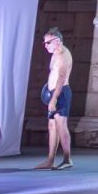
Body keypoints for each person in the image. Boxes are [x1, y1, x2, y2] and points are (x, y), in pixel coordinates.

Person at [35, 28, 74, 170]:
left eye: (48, 42)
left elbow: (62, 78)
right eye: (44, 43)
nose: (45, 45)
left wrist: (54, 98)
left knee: (61, 125)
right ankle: (50, 160)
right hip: (53, 93)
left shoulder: (63, 55)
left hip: (61, 93)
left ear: (57, 41)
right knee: (52, 126)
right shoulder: (55, 53)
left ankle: (67, 159)